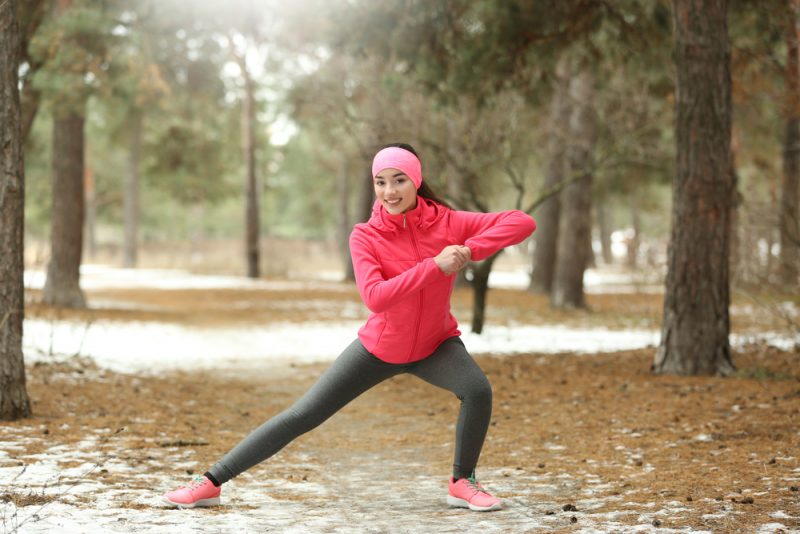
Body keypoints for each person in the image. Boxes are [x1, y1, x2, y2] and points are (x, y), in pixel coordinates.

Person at [162, 143, 536, 512]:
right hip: (379, 349)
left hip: (436, 344)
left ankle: (462, 481)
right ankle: (210, 482)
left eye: (399, 180)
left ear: (416, 181)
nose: (389, 192)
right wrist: (433, 266)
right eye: (381, 182)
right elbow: (375, 297)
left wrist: (469, 250)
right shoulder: (366, 235)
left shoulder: (447, 221)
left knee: (477, 390)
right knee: (303, 415)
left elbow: (522, 222)